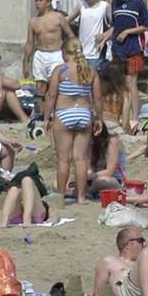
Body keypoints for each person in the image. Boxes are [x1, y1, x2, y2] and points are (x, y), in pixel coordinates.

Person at [46, 39, 101, 208]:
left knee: (64, 159)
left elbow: (51, 96)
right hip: (84, 114)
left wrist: (47, 117)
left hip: (64, 114)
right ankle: (82, 197)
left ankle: (61, 197)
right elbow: (98, 97)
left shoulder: (60, 70)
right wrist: (98, 118)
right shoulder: (90, 71)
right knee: (81, 159)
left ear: (64, 52)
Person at [101, 0, 148, 132]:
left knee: (131, 84)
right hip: (118, 49)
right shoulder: (115, 3)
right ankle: (122, 114)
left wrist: (128, 32)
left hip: (134, 48)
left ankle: (135, 117)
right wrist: (105, 38)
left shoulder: (138, 3)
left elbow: (146, 26)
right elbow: (115, 26)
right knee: (119, 84)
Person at [23, 0, 73, 111]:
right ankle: (40, 112)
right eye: (36, 1)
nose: (37, 3)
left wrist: (71, 55)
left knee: (57, 84)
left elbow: (70, 36)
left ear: (48, 2)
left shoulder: (58, 17)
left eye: (40, 0)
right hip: (40, 54)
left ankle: (58, 112)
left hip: (56, 53)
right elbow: (30, 43)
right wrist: (26, 62)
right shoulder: (33, 21)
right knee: (40, 85)